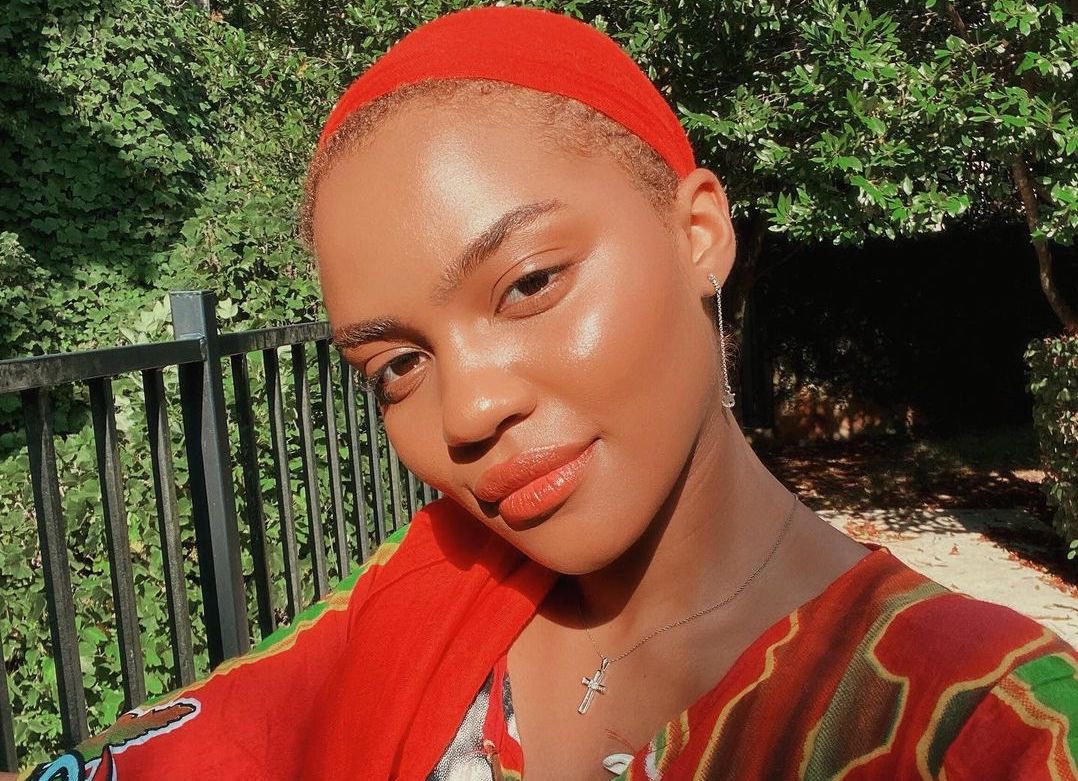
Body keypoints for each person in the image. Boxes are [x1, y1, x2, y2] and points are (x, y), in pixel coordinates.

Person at [10, 6, 1077, 780]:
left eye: (528, 285)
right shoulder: (417, 596)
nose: (467, 412)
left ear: (697, 232)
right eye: (398, 366)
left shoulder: (982, 725)